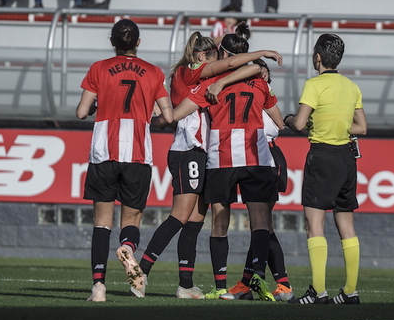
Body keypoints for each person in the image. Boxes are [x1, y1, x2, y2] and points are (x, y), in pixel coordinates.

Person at [143, 30, 282, 299]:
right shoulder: (193, 73)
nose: (214, 62)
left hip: (211, 154)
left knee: (196, 220)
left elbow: (236, 68)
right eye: (211, 56)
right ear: (202, 56)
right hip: (191, 150)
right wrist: (261, 60)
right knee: (182, 216)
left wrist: (256, 69)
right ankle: (142, 269)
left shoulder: (209, 78)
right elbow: (233, 66)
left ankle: (186, 284)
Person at [76, 19, 173, 301]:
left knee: (101, 222)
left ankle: (98, 287)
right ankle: (128, 247)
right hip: (138, 154)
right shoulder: (154, 73)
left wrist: (95, 104)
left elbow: (82, 112)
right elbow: (168, 116)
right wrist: (147, 116)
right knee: (131, 218)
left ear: (112, 42)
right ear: (138, 43)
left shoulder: (99, 68)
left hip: (103, 151)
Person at [284, 34, 367, 305]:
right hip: (346, 158)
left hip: (322, 157)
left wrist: (290, 119)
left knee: (314, 225)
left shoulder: (314, 85)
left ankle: (318, 292)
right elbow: (361, 127)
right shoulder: (351, 86)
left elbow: (298, 124)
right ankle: (350, 292)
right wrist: (337, 126)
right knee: (347, 226)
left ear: (317, 57)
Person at [208, 61, 294, 302]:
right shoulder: (258, 94)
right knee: (262, 226)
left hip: (263, 158)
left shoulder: (257, 96)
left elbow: (277, 126)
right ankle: (253, 282)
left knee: (263, 225)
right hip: (262, 159)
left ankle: (279, 283)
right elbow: (280, 125)